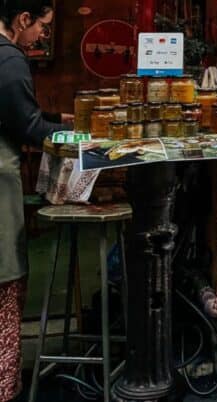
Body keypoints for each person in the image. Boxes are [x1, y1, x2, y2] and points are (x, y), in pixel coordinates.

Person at [0, 1, 70, 399]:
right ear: (22, 19)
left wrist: (57, 119)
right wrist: (76, 140)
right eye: (41, 25)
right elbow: (26, 125)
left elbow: (17, 111)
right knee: (6, 283)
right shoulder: (9, 59)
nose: (42, 34)